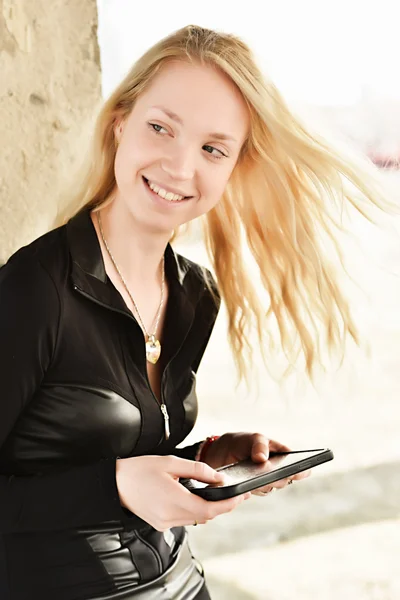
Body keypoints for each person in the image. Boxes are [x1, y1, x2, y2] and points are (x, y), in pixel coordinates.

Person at [0, 24, 390, 600]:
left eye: (212, 148)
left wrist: (205, 460)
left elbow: (118, 457)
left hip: (183, 583)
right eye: (161, 128)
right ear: (119, 125)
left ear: (233, 166)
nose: (180, 167)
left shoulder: (193, 294)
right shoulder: (36, 289)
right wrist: (115, 487)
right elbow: (102, 482)